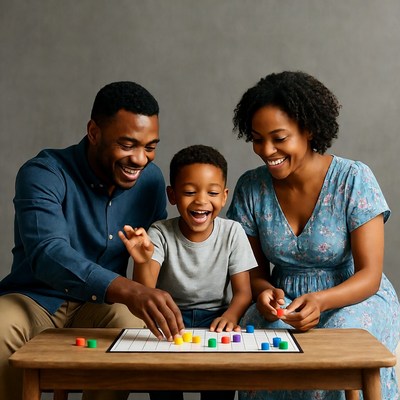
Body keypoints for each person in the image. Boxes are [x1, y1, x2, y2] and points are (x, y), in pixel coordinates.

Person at [0, 81, 184, 400]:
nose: (140, 159)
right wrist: (129, 290)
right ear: (94, 132)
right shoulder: (43, 173)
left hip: (102, 307)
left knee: (134, 327)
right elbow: (48, 253)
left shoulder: (150, 181)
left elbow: (153, 254)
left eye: (150, 146)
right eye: (127, 144)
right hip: (33, 299)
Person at [226, 71, 400, 400]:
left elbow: (370, 275)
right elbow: (254, 273)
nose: (266, 149)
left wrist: (321, 300)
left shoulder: (353, 179)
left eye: (279, 137)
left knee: (336, 344)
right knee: (265, 343)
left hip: (353, 295)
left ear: (308, 130)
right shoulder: (251, 187)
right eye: (257, 138)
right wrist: (264, 294)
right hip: (285, 299)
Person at [119, 144, 257, 400]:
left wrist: (231, 316)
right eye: (190, 192)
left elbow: (243, 293)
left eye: (212, 192)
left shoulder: (233, 232)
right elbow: (147, 292)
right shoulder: (159, 232)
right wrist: (141, 261)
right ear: (172, 195)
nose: (201, 200)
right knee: (164, 383)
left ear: (224, 196)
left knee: (219, 385)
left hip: (216, 319)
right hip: (169, 320)